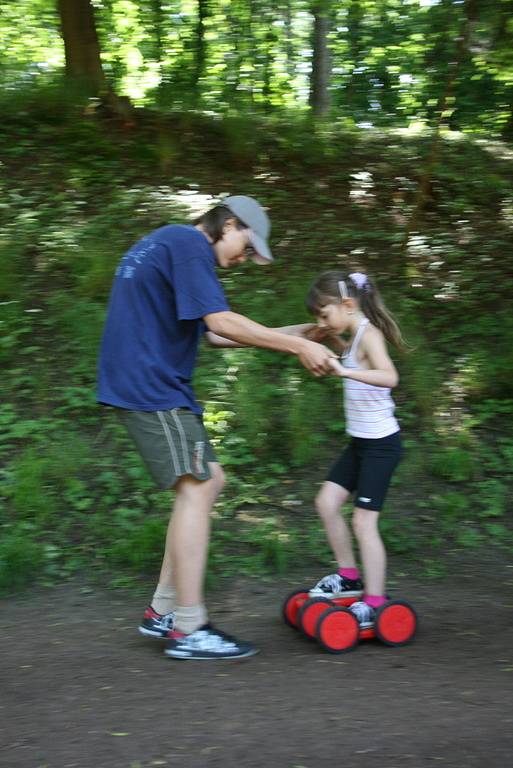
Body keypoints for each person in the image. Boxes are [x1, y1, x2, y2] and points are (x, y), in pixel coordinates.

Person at [97, 195, 333, 660]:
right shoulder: (189, 243)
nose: (244, 259)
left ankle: (164, 611)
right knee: (198, 487)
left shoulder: (171, 243)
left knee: (207, 482)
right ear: (229, 223)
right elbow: (222, 320)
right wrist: (296, 350)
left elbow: (217, 334)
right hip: (150, 384)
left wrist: (300, 334)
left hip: (151, 381)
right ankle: (189, 627)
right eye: (247, 246)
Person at [305, 270, 405, 629]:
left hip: (381, 446)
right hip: (360, 444)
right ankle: (349, 576)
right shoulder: (353, 336)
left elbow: (388, 376)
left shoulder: (370, 335)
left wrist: (345, 373)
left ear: (347, 305)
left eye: (324, 314)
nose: (322, 321)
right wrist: (328, 344)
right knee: (326, 503)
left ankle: (375, 601)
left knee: (364, 522)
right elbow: (350, 356)